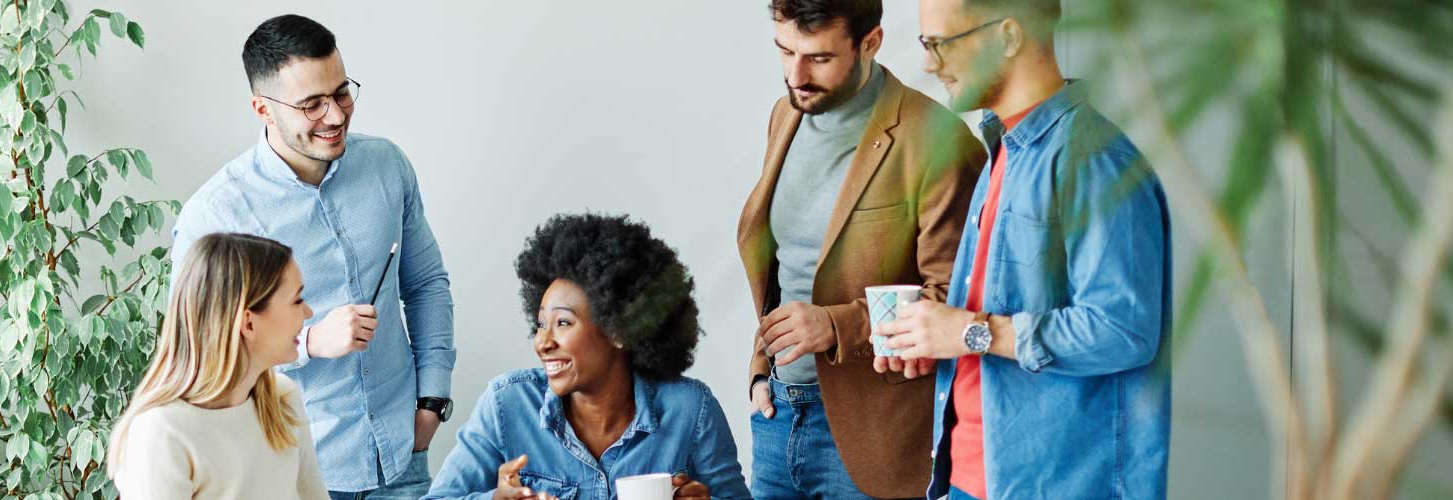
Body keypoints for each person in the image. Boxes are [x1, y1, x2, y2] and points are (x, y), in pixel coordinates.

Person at [879, 0, 1174, 498]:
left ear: (1009, 37)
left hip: (1054, 484)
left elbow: (1123, 329)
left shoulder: (1092, 158)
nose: (930, 64)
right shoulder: (1004, 149)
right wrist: (936, 339)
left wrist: (974, 333)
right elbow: (995, 322)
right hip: (969, 477)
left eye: (940, 44)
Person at [168, 14, 455, 499]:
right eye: (312, 104)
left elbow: (426, 283)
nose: (337, 115)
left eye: (342, 92)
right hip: (290, 469)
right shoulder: (216, 214)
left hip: (403, 457)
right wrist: (308, 342)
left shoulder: (387, 166)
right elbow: (199, 357)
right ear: (263, 109)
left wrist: (432, 400)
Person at [740, 0, 985, 498]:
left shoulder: (936, 139)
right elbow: (782, 263)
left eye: (819, 58)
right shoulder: (785, 115)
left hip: (874, 437)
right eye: (785, 51)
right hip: (776, 415)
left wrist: (836, 326)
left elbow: (954, 300)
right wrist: (760, 371)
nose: (796, 74)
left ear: (870, 42)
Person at [426, 214, 752, 500]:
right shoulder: (507, 404)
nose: (543, 342)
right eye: (541, 324)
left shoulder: (690, 410)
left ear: (620, 329)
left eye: (563, 323)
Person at [107, 233, 329, 500]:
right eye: (297, 300)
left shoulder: (283, 400)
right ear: (248, 323)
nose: (308, 312)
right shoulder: (161, 433)